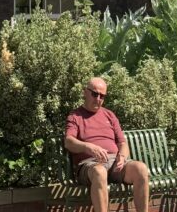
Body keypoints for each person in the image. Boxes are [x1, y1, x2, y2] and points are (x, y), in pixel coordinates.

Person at [64, 77, 150, 212]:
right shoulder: (75, 116)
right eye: (95, 94)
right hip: (90, 165)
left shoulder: (109, 115)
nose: (98, 99)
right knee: (99, 172)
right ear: (85, 92)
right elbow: (69, 142)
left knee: (141, 169)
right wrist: (88, 147)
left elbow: (122, 143)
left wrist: (122, 156)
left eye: (102, 96)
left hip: (115, 163)